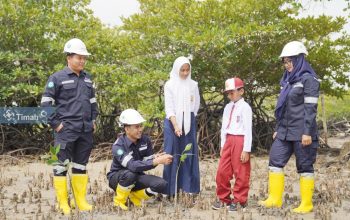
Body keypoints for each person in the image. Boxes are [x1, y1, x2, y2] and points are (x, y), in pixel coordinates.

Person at [258, 41, 320, 214]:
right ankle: (275, 199)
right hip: (284, 132)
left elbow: (310, 109)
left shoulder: (309, 80)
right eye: (285, 62)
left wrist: (307, 132)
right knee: (275, 160)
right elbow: (283, 107)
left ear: (299, 59)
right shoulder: (287, 81)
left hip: (302, 133)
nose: (287, 65)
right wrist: (278, 127)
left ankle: (306, 204)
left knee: (305, 166)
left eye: (290, 61)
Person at [41, 38, 98, 215]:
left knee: (80, 165)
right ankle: (62, 203)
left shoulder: (88, 79)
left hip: (85, 130)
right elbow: (46, 103)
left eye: (84, 58)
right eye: (78, 57)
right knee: (60, 166)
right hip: (65, 131)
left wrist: (93, 120)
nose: (82, 61)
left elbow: (93, 102)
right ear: (69, 57)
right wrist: (56, 125)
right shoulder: (57, 78)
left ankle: (80, 201)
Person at [107, 109, 173, 211]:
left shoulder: (145, 140)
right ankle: (119, 201)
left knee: (161, 184)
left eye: (141, 126)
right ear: (127, 129)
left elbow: (147, 161)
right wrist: (157, 161)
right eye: (136, 127)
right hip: (118, 178)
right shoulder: (118, 146)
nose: (140, 129)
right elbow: (132, 166)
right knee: (130, 174)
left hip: (136, 175)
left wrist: (155, 158)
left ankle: (134, 197)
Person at [212, 77, 252, 212]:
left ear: (241, 91)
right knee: (222, 171)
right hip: (228, 140)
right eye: (228, 93)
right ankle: (224, 198)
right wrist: (223, 145)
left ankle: (240, 200)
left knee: (241, 171)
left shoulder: (245, 108)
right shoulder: (228, 107)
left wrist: (246, 149)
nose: (229, 95)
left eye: (232, 92)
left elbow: (248, 130)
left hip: (240, 140)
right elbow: (224, 127)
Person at [162, 56, 201, 197]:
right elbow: (169, 108)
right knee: (171, 153)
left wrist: (188, 119)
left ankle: (189, 189)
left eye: (187, 70)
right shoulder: (169, 85)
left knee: (189, 153)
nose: (185, 73)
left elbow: (196, 105)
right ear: (176, 70)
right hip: (172, 122)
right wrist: (176, 125)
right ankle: (169, 190)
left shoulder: (193, 85)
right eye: (182, 70)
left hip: (188, 122)